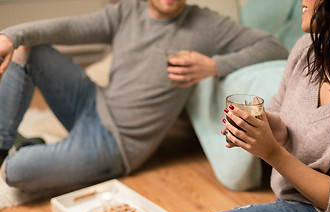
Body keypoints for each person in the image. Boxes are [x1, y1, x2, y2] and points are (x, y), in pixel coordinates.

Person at [0, 0, 288, 192]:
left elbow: (272, 46)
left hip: (115, 144)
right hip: (90, 101)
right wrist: (11, 35)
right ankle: (2, 145)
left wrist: (214, 66)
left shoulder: (206, 24)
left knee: (14, 172)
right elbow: (71, 28)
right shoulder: (127, 11)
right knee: (30, 49)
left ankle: (26, 152)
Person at [159, 0, 330, 212]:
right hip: (289, 206)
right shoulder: (307, 49)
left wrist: (271, 152)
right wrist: (269, 127)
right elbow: (282, 117)